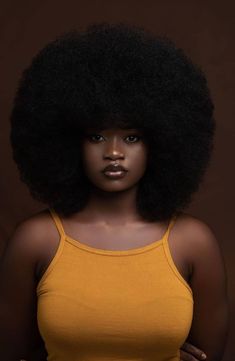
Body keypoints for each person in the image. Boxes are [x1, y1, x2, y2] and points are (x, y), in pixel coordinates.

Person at [0, 22, 229, 361]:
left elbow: (210, 354)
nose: (114, 152)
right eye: (96, 137)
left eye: (131, 137)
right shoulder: (35, 240)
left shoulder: (193, 242)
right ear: (68, 143)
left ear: (161, 143)